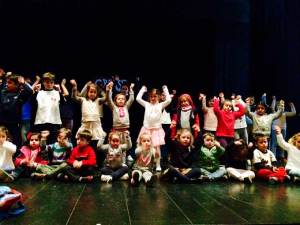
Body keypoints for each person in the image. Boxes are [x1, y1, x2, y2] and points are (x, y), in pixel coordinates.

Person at [70, 79, 107, 166]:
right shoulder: (83, 100)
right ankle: (84, 162)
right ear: (87, 92)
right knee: (84, 145)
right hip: (86, 126)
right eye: (91, 91)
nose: (92, 93)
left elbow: (106, 98)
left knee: (96, 147)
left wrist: (108, 90)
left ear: (96, 93)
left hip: (96, 126)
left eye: (94, 92)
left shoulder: (98, 101)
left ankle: (97, 163)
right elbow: (74, 97)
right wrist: (74, 87)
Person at [136, 85, 171, 171]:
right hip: (146, 129)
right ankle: (142, 163)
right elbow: (137, 99)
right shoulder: (147, 104)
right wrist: (142, 90)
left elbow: (169, 100)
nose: (153, 98)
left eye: (155, 96)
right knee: (144, 147)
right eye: (151, 96)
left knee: (156, 148)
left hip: (156, 130)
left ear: (159, 96)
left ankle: (158, 164)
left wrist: (165, 89)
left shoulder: (161, 105)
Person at [0, 73, 32, 148]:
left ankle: (15, 158)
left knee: (15, 142)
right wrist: (3, 76)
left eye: (10, 83)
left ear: (17, 85)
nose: (7, 84)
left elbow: (30, 91)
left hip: (14, 123)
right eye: (7, 82)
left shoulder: (21, 95)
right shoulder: (2, 93)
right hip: (2, 122)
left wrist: (23, 82)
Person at [33, 72, 63, 144]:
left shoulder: (57, 93)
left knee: (53, 143)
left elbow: (63, 103)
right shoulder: (39, 93)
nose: (49, 84)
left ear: (54, 83)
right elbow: (33, 103)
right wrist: (35, 91)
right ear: (43, 82)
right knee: (41, 143)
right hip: (41, 122)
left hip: (54, 122)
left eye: (51, 82)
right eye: (47, 82)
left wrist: (59, 91)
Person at [270, 97, 296, 161]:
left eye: (282, 105)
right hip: (275, 128)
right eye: (278, 105)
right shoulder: (275, 112)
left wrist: (292, 105)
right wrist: (274, 99)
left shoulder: (284, 113)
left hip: (283, 128)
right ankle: (273, 157)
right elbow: (272, 107)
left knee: (282, 142)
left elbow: (294, 113)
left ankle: (281, 156)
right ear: (277, 107)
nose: (281, 106)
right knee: (274, 143)